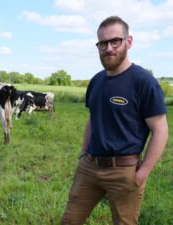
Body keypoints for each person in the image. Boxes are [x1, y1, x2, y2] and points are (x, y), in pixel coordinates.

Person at [61, 16, 168, 225]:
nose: (108, 48)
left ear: (128, 42)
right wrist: (84, 153)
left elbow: (160, 130)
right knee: (69, 221)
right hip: (90, 167)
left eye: (115, 41)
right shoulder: (97, 81)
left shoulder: (143, 82)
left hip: (124, 171)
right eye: (103, 43)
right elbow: (93, 119)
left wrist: (142, 172)